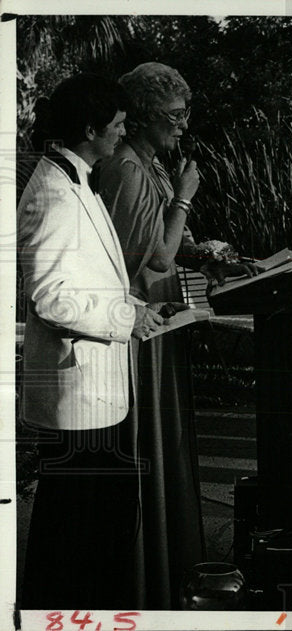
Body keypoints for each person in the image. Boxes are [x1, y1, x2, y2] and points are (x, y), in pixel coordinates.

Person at [97, 62, 253, 609]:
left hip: (166, 319)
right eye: (175, 116)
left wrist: (203, 254)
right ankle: (148, 578)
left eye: (186, 114)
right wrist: (185, 197)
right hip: (142, 327)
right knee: (150, 444)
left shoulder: (150, 164)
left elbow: (165, 246)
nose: (184, 126)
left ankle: (172, 568)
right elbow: (150, 255)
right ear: (142, 117)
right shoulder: (130, 170)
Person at [18, 73, 164, 609]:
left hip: (95, 391)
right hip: (79, 397)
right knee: (74, 534)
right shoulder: (54, 193)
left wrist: (136, 309)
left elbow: (93, 279)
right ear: (89, 129)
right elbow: (50, 298)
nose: (123, 134)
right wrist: (124, 321)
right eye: (119, 125)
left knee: (91, 529)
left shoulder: (78, 177)